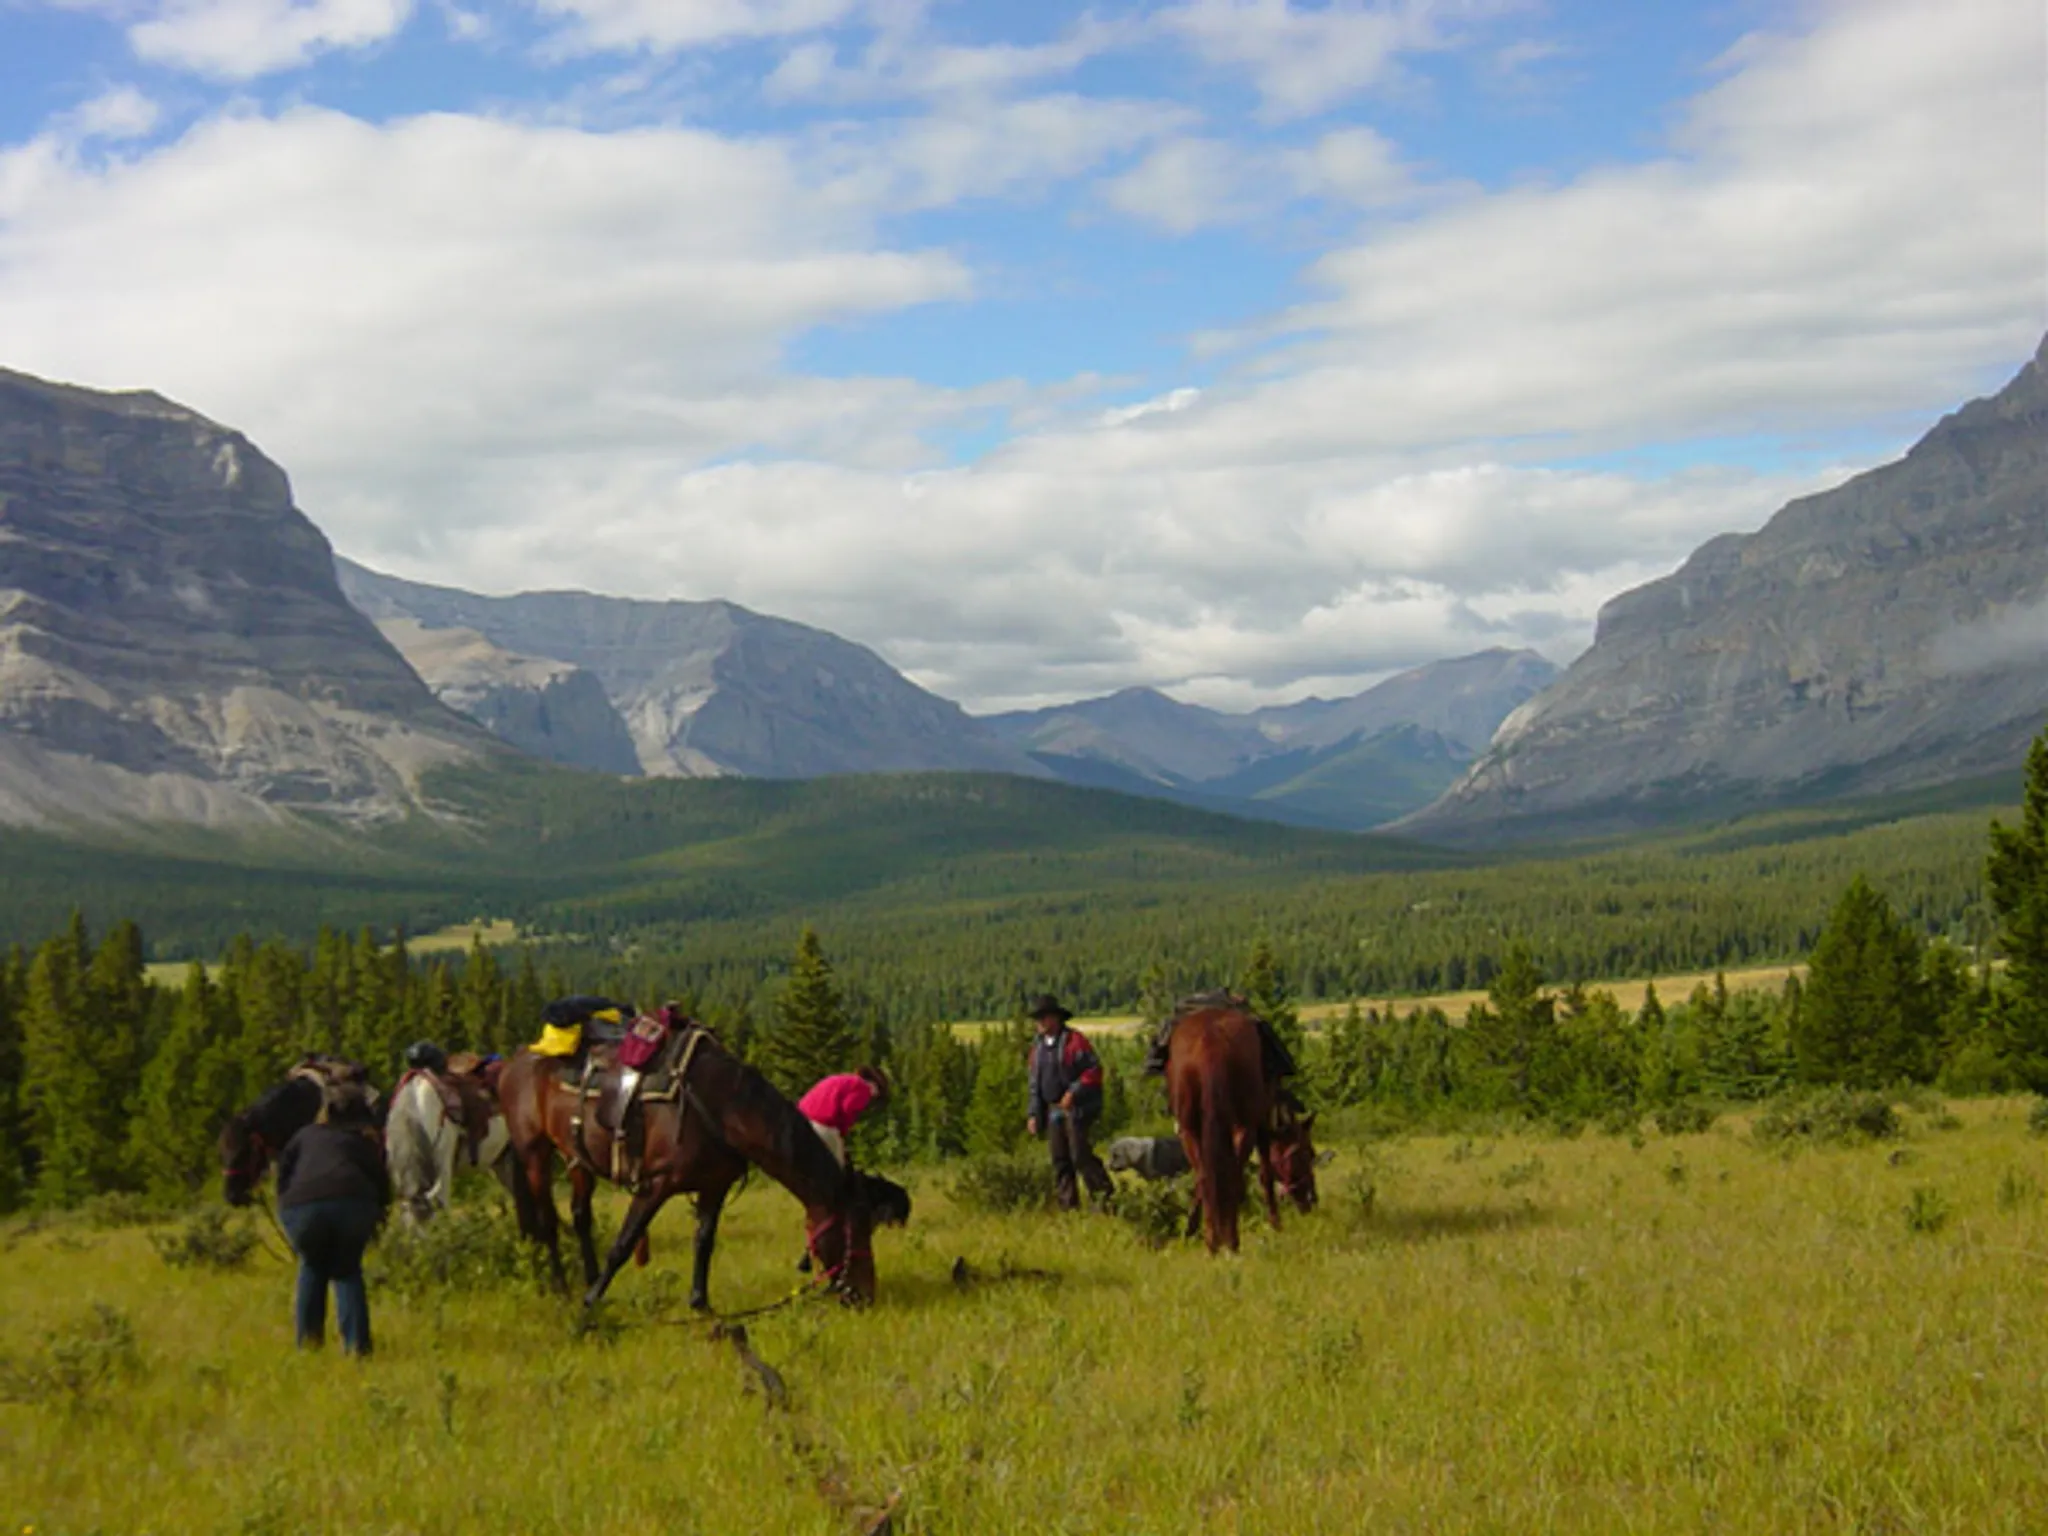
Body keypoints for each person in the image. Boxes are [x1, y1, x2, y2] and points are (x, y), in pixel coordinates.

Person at [274, 1084, 391, 1357]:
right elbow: (380, 1179)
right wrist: (381, 1211)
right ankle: (357, 1347)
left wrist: (287, 1209)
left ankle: (308, 1344)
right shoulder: (361, 1142)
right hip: (354, 1204)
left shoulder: (304, 1135)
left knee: (312, 1267)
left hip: (302, 1206)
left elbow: (284, 1173)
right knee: (347, 1271)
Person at [1025, 994, 1114, 1212]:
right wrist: (1034, 1114)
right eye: (1038, 1019)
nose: (1039, 1023)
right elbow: (1035, 1086)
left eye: (1043, 1018)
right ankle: (1068, 1206)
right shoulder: (1036, 1050)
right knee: (1060, 1160)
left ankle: (1103, 1199)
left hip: (1078, 1108)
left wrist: (1073, 1092)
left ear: (1055, 1018)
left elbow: (1093, 1070)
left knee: (1080, 1155)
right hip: (1053, 1109)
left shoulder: (1075, 1042)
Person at [797, 1065, 890, 1169]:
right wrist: (843, 1132)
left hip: (801, 1119)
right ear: (875, 1085)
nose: (873, 1097)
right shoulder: (863, 1088)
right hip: (822, 1123)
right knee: (837, 1168)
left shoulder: (843, 1079)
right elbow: (848, 1110)